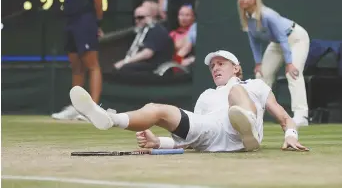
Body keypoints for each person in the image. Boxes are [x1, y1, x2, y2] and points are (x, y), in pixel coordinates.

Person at [70, 50, 309, 152]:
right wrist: (160, 143)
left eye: (221, 63)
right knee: (158, 109)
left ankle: (246, 125)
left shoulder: (254, 85)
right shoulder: (206, 97)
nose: (215, 68)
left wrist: (290, 137)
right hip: (214, 135)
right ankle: (110, 118)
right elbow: (194, 139)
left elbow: (284, 117)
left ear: (236, 67)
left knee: (234, 91)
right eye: (212, 66)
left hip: (244, 135)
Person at [238, 0, 310, 127]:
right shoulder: (247, 16)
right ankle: (256, 115)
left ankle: (301, 116)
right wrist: (258, 63)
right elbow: (254, 40)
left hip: (295, 38)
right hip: (277, 43)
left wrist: (289, 63)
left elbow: (283, 37)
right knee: (262, 75)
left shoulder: (268, 15)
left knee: (293, 74)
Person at [52, 0, 104, 120]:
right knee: (76, 66)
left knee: (92, 64)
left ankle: (94, 109)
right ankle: (77, 107)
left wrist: (97, 20)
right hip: (71, 21)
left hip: (85, 20)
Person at [113, 5, 173, 73]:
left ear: (150, 17)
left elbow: (147, 53)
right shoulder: (142, 31)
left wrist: (125, 62)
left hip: (157, 67)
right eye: (135, 18)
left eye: (140, 17)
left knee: (125, 68)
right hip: (145, 64)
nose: (137, 21)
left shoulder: (156, 29)